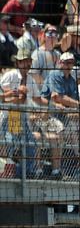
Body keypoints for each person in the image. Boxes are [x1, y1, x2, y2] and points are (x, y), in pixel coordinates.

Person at [0, 49, 45, 177]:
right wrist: (16, 89)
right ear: (18, 62)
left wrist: (49, 103)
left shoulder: (30, 79)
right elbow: (2, 90)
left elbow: (37, 98)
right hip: (8, 116)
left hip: (23, 118)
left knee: (30, 142)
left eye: (29, 61)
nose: (28, 64)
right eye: (25, 61)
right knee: (9, 143)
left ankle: (28, 172)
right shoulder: (11, 75)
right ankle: (7, 172)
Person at [41, 51, 80, 178]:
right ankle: (56, 171)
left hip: (64, 116)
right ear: (60, 63)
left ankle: (78, 169)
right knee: (60, 131)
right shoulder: (54, 74)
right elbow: (58, 98)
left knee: (76, 137)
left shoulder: (73, 80)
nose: (69, 65)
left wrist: (73, 107)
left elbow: (71, 102)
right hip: (48, 114)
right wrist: (78, 106)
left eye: (71, 63)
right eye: (66, 62)